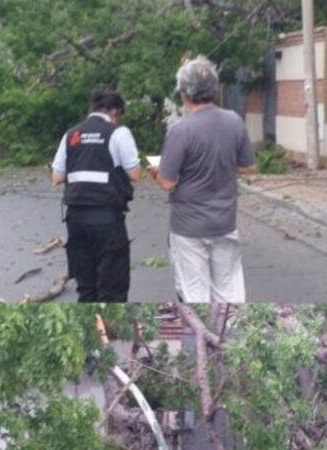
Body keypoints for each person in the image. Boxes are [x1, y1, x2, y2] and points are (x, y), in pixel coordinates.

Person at [150, 56, 257, 304]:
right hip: (225, 222)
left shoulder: (181, 130)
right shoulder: (234, 121)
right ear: (215, 90)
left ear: (184, 94)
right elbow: (250, 167)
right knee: (229, 291)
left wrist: (157, 171)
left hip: (189, 228)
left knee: (194, 294)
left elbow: (167, 183)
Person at [52, 89, 142, 303]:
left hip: (76, 219)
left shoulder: (72, 134)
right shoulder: (118, 133)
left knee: (86, 287)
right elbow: (135, 174)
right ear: (115, 112)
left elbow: (56, 177)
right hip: (107, 219)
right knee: (112, 286)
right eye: (119, 116)